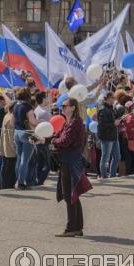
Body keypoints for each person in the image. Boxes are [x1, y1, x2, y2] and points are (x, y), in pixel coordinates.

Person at [49, 97, 92, 237]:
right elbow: (58, 136)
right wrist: (44, 139)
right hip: (67, 160)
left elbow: (65, 141)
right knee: (73, 194)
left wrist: (53, 141)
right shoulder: (68, 123)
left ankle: (71, 228)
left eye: (65, 105)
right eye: (62, 106)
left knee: (70, 194)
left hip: (71, 161)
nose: (62, 108)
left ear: (73, 107)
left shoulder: (75, 122)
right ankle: (77, 227)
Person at [13, 88, 40, 190]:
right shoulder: (28, 107)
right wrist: (42, 121)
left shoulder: (15, 105)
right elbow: (33, 121)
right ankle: (20, 183)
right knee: (25, 160)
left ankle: (18, 180)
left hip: (16, 133)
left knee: (19, 158)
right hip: (27, 133)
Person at [97, 92, 121, 179]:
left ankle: (112, 175)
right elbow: (102, 125)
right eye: (112, 98)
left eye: (114, 98)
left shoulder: (111, 108)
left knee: (117, 157)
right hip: (107, 137)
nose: (113, 99)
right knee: (105, 158)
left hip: (114, 136)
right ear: (106, 98)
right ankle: (104, 177)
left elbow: (114, 119)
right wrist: (114, 123)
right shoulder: (103, 109)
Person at [119, 101, 134, 175]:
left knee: (128, 158)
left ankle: (128, 173)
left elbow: (120, 128)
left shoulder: (123, 117)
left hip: (125, 139)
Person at [0, 103, 17, 189]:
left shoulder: (7, 115)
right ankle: (7, 187)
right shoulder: (11, 118)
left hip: (4, 146)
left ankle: (4, 186)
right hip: (10, 149)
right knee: (9, 170)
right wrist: (14, 149)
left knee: (5, 168)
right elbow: (11, 136)